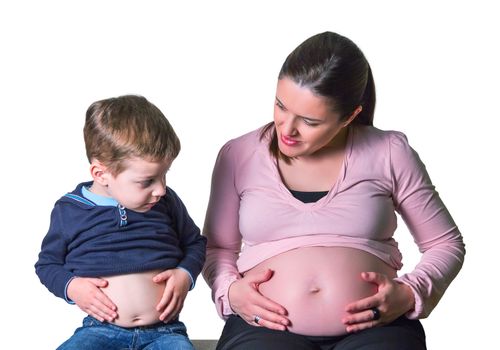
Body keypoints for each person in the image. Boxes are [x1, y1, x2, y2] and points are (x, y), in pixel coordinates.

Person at [202, 32, 465, 350]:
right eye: (281, 106)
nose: (286, 129)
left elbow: (445, 243)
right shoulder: (238, 154)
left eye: (310, 121)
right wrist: (230, 292)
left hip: (376, 328)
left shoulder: (389, 151)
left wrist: (411, 292)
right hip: (263, 330)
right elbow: (217, 249)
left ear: (350, 116)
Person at [35, 95, 206, 350]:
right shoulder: (70, 210)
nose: (160, 189)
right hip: (100, 330)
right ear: (101, 174)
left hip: (165, 332)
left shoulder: (166, 202)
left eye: (164, 175)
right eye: (147, 181)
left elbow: (195, 243)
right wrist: (72, 287)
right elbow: (47, 264)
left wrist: (185, 274)